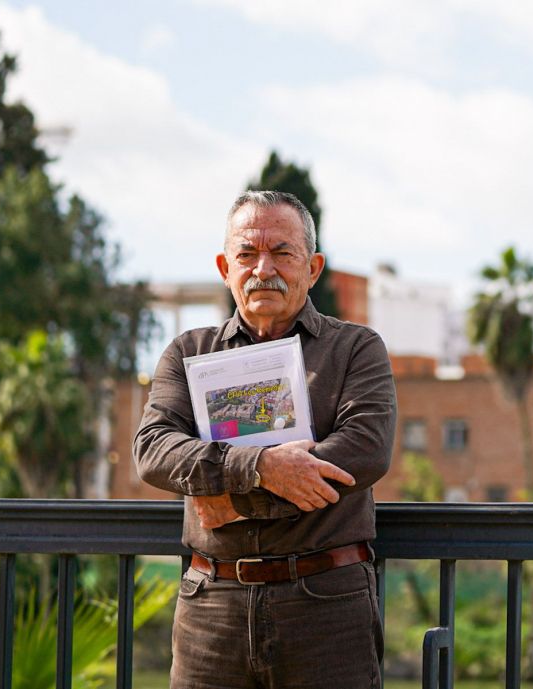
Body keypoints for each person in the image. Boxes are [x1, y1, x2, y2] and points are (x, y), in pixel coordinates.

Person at [134, 190, 396, 689]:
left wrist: (231, 501)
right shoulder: (186, 353)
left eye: (282, 252)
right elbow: (153, 451)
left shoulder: (356, 349)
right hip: (211, 607)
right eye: (247, 254)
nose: (263, 269)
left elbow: (364, 450)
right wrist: (259, 468)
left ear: (313, 267)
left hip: (326, 605)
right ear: (224, 267)